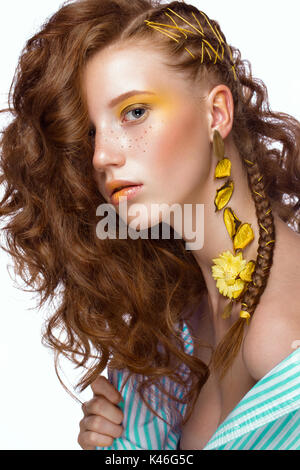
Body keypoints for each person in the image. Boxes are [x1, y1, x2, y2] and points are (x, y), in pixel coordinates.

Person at [1, 0, 300, 450]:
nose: (102, 156)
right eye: (91, 132)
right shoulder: (178, 319)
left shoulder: (286, 341)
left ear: (216, 113)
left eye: (134, 112)